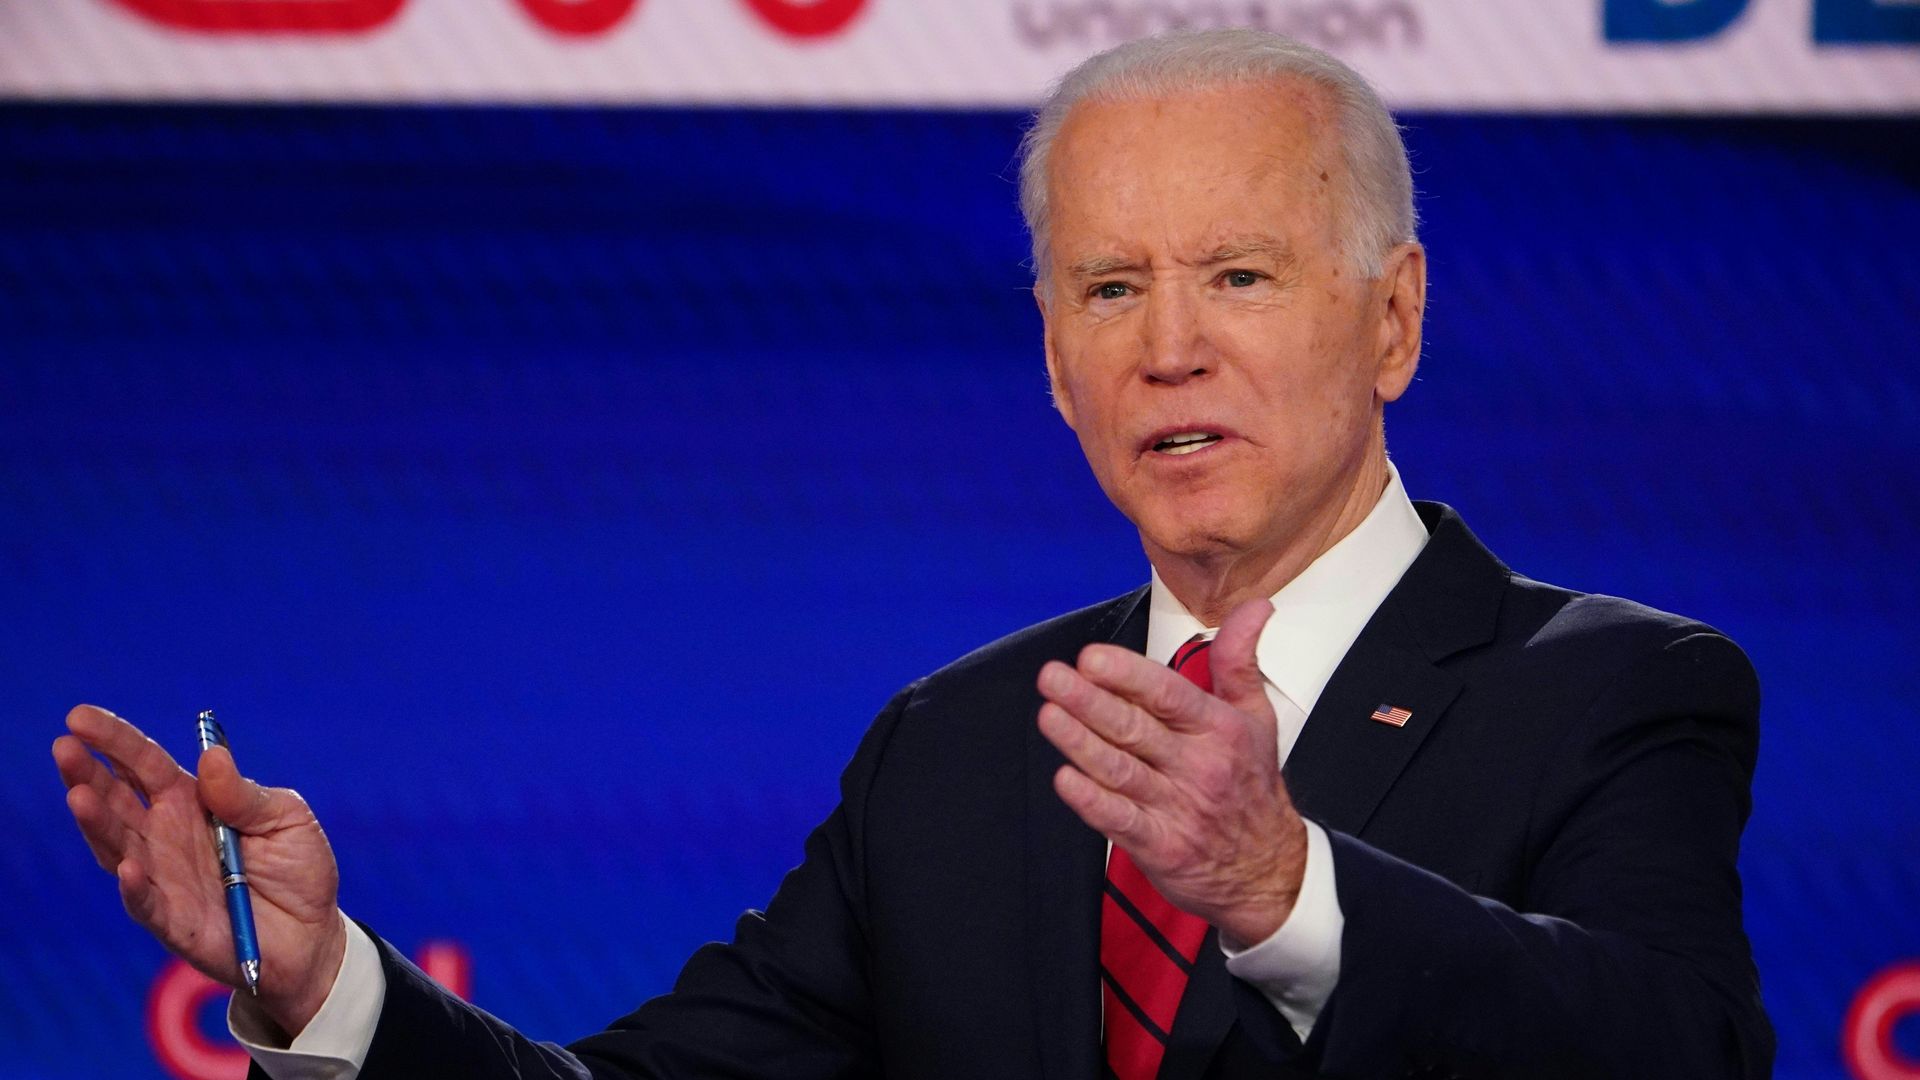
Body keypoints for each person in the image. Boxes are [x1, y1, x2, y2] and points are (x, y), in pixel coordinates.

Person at [52, 28, 1772, 1079]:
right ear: (1052, 360)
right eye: (1111, 290)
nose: (1169, 347)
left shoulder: (1621, 692)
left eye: (1240, 276)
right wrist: (325, 990)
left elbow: (1675, 1056)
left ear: (1392, 319)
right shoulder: (953, 751)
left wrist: (1280, 890)